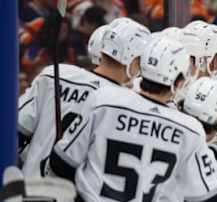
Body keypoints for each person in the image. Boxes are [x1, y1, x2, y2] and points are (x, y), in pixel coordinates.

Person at [17, 37, 217, 202]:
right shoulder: (188, 129)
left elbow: (61, 165)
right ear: (179, 83)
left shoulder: (103, 100)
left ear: (139, 68)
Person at [17, 18, 150, 179]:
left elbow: (17, 130)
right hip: (73, 199)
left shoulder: (55, 74)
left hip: (30, 189)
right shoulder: (125, 102)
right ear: (133, 59)